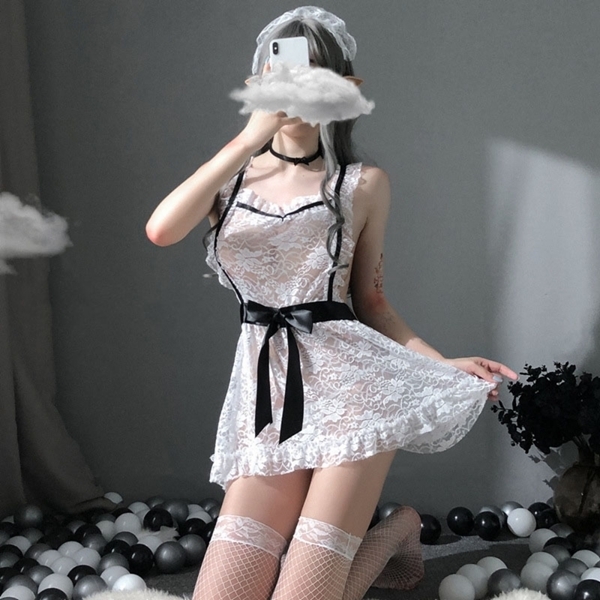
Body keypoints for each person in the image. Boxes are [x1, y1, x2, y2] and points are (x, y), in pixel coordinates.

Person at [145, 6, 518, 600]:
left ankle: (392, 532)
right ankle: (397, 530)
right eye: (282, 74)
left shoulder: (362, 185)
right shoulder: (229, 179)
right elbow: (162, 230)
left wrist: (440, 364)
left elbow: (371, 301)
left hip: (354, 393)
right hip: (267, 399)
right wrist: (250, 136)